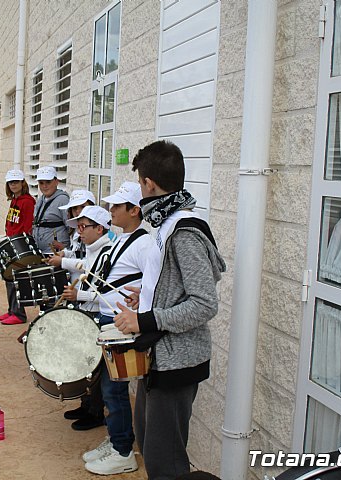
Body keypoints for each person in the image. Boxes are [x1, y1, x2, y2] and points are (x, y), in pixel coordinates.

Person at [113, 141, 226, 480]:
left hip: (177, 363)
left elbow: (205, 303)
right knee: (149, 442)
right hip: (159, 356)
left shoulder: (184, 230)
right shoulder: (168, 222)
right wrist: (146, 297)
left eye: (140, 184)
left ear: (148, 183)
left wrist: (146, 318)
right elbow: (175, 287)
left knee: (167, 465)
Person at [82, 181, 154, 475]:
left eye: (116, 206)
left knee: (115, 390)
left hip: (120, 325)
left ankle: (123, 451)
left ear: (134, 210)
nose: (110, 210)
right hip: (108, 322)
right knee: (108, 388)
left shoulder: (145, 243)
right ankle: (116, 439)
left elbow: (153, 286)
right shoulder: (123, 238)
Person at [60, 206, 113, 432]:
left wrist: (78, 295)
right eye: (77, 227)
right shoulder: (92, 249)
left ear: (99, 228)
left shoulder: (107, 252)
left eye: (83, 227)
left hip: (98, 315)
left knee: (96, 366)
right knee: (85, 362)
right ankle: (86, 404)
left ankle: (95, 411)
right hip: (88, 311)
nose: (79, 232)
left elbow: (109, 295)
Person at [0, 169, 35, 326]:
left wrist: (21, 243)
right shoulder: (14, 200)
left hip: (20, 245)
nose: (13, 185)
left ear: (22, 183)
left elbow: (27, 226)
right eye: (10, 182)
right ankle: (12, 309)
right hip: (11, 243)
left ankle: (19, 313)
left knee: (16, 280)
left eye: (16, 182)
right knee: (8, 278)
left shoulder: (27, 201)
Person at [32, 166, 70, 255]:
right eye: (41, 183)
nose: (44, 186)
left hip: (55, 253)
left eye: (48, 182)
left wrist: (66, 249)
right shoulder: (41, 199)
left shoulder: (62, 200)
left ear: (56, 182)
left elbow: (71, 227)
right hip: (42, 251)